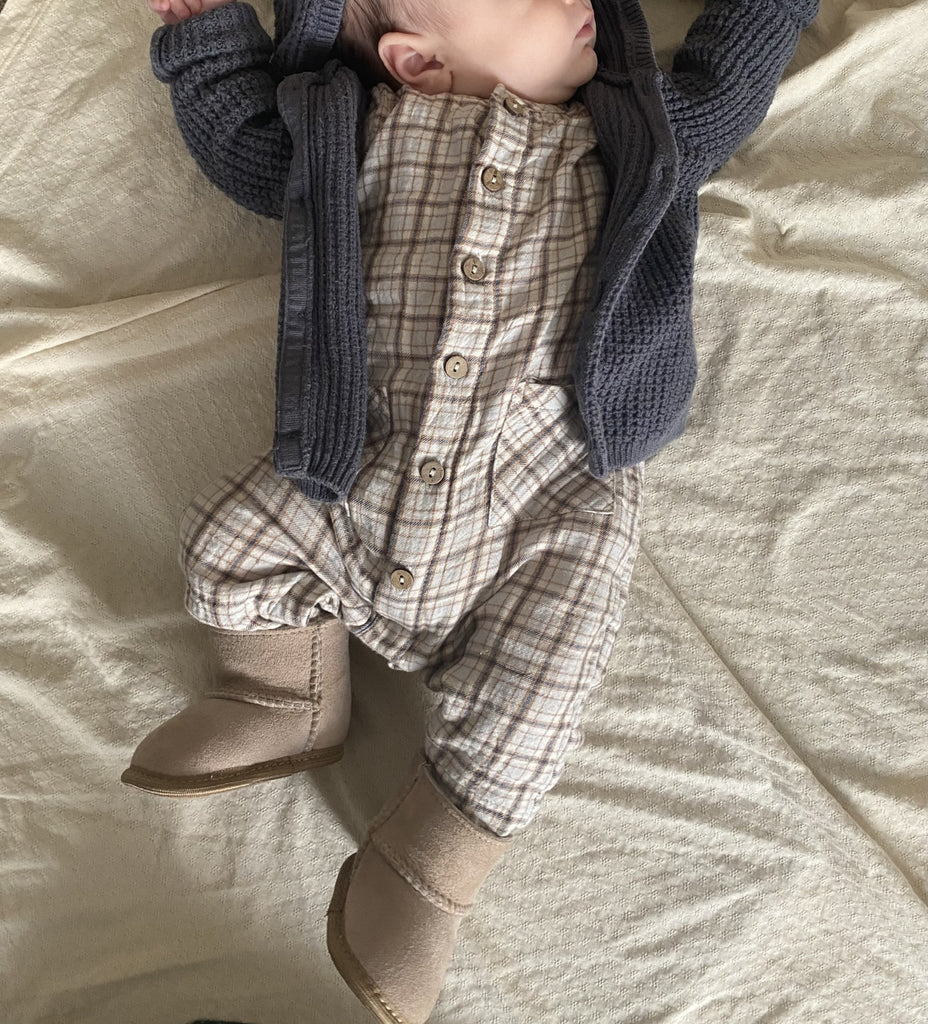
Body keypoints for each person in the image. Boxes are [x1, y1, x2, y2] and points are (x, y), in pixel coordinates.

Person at [121, 0, 819, 1020]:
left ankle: (425, 864)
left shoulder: (633, 137)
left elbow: (732, 76)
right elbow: (243, 144)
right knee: (230, 533)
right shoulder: (345, 132)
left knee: (546, 682)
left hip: (544, 492)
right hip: (354, 462)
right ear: (414, 58)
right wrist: (207, 35)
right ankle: (282, 694)